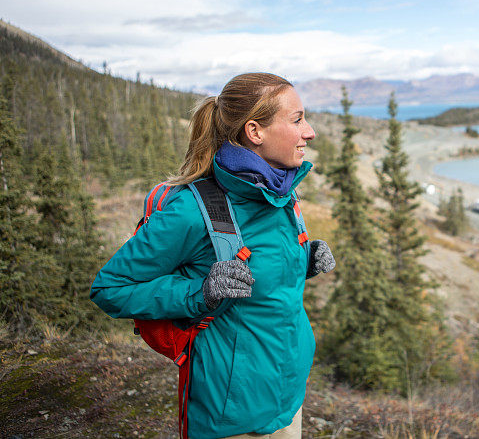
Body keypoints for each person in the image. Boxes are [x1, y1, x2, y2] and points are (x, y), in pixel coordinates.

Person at [90, 73, 332, 439]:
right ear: (255, 131)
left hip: (288, 398)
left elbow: (260, 280)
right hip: (228, 415)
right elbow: (110, 289)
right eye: (297, 119)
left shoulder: (283, 193)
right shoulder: (192, 210)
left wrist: (302, 260)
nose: (309, 131)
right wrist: (199, 293)